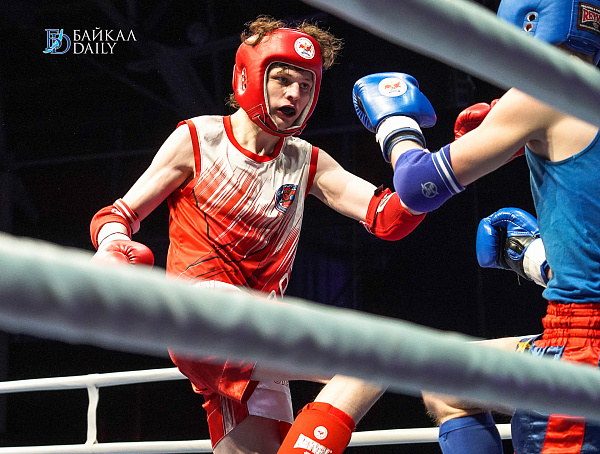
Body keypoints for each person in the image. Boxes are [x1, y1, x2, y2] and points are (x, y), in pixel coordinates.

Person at [89, 16, 426, 454]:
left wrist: (405, 137)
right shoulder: (199, 138)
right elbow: (119, 213)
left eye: (306, 85)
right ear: (248, 75)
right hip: (202, 311)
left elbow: (389, 218)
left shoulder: (306, 160)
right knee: (373, 358)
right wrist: (113, 244)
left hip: (260, 327)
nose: (295, 94)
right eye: (283, 79)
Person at [352, 0, 600, 452]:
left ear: (526, 24)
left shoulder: (544, 92)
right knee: (446, 380)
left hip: (581, 350)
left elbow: (417, 186)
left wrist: (395, 125)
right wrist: (537, 258)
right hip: (582, 335)